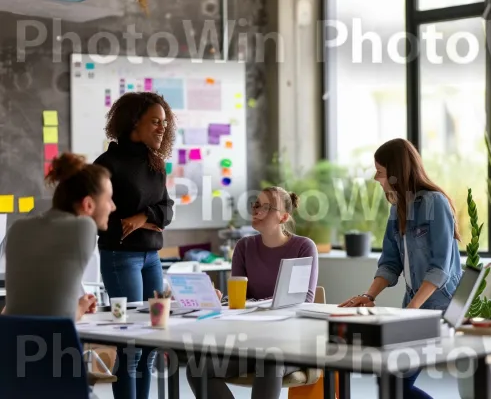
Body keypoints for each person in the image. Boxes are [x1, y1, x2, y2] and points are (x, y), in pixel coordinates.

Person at [339, 138, 463, 399]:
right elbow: (390, 262)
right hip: (415, 307)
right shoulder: (399, 208)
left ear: (396, 172)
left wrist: (411, 311)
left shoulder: (435, 203)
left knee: (394, 384)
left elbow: (440, 268)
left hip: (440, 308)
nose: (376, 178)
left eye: (380, 172)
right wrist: (369, 295)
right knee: (391, 383)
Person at [186, 186, 319, 399]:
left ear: (284, 217)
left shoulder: (304, 247)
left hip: (291, 344)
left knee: (269, 363)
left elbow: (304, 302)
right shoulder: (243, 247)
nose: (257, 211)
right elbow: (239, 300)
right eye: (256, 205)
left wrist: (255, 303)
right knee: (197, 368)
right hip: (251, 343)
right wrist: (219, 301)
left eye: (266, 207)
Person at [93, 92, 175, 399]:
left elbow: (167, 210)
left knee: (151, 341)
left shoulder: (156, 164)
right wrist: (140, 221)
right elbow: (100, 216)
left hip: (151, 257)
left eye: (164, 123)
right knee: (129, 344)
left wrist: (142, 218)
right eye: (155, 121)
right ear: (133, 122)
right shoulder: (106, 164)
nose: (161, 128)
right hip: (119, 257)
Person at [2, 152, 115, 321]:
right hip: (54, 342)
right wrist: (79, 308)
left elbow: (40, 305)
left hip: (10, 340)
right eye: (109, 199)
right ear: (88, 204)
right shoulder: (83, 228)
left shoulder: (18, 228)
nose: (113, 207)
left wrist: (79, 306)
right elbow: (59, 319)